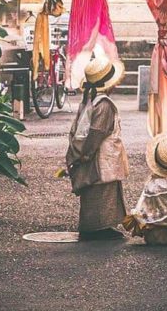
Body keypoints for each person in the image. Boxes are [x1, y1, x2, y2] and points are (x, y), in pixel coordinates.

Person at [66, 53, 129, 240]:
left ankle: (99, 226)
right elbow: (97, 132)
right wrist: (86, 154)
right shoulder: (105, 105)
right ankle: (98, 228)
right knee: (102, 190)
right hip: (99, 156)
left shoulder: (89, 100)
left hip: (86, 153)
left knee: (95, 191)